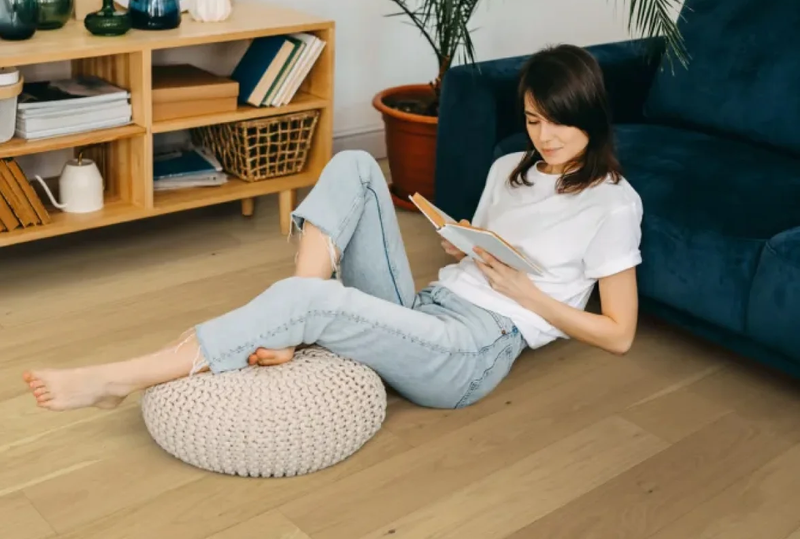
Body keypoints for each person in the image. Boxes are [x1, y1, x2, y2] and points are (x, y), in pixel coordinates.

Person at [23, 43, 643, 412]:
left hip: (474, 353)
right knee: (353, 163)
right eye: (534, 120)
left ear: (592, 115)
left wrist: (528, 296)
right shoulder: (512, 165)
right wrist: (460, 239)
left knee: (309, 299)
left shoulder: (615, 204)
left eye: (558, 122)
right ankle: (300, 322)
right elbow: (475, 247)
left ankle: (116, 379)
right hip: (433, 305)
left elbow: (618, 335)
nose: (545, 137)